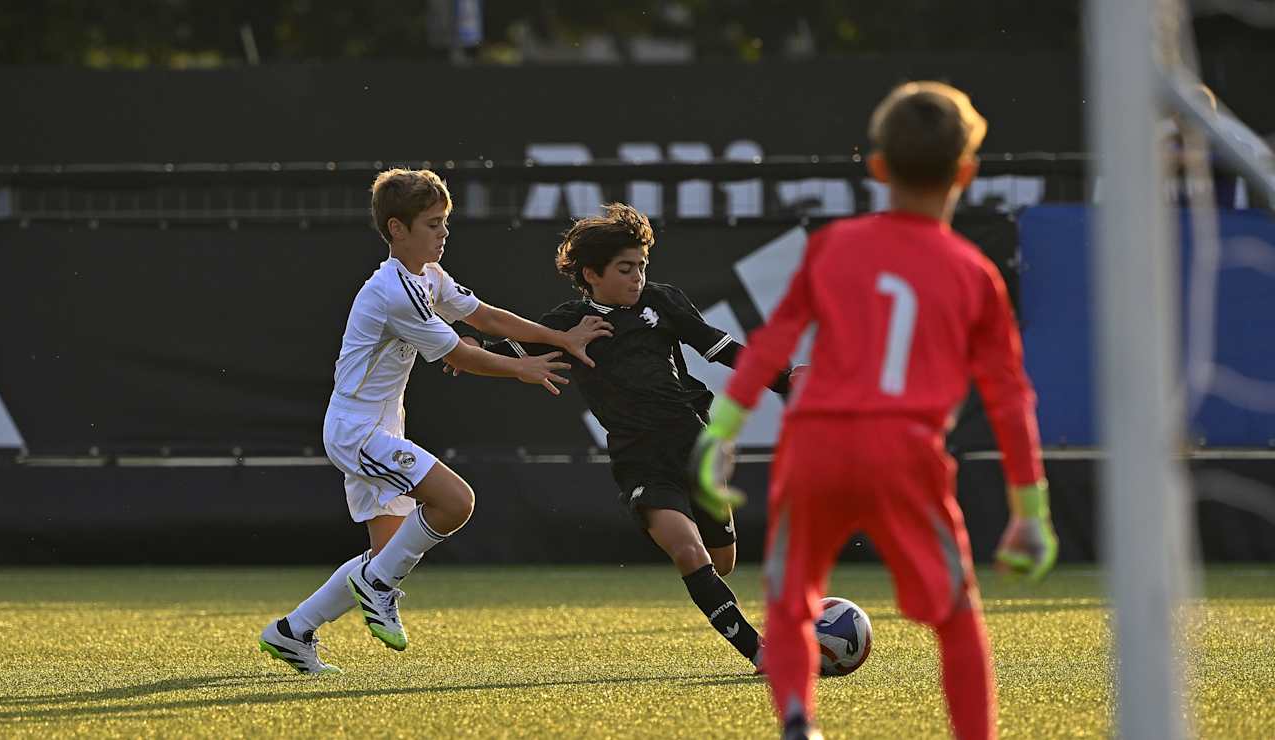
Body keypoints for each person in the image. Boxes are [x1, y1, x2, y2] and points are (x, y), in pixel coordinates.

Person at [693, 82, 1058, 740]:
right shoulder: (975, 273)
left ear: (879, 167)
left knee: (790, 595)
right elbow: (1009, 395)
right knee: (956, 615)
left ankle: (799, 721)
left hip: (815, 446)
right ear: (967, 174)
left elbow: (773, 341)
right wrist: (1030, 511)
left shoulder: (835, 245)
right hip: (905, 451)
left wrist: (722, 430)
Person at [258, 168, 611, 674]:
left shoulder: (428, 277)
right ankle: (377, 587)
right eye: (432, 224)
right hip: (358, 433)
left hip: (377, 430)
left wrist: (560, 338)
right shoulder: (393, 291)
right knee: (456, 502)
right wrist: (524, 368)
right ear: (397, 229)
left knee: (385, 553)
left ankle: (292, 632)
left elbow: (483, 317)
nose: (444, 233)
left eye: (446, 222)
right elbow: (459, 353)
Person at [463, 203, 795, 670]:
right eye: (625, 268)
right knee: (687, 550)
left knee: (722, 563)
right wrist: (465, 351)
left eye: (641, 266)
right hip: (638, 459)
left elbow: (718, 346)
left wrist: (783, 378)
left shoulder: (662, 302)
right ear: (591, 274)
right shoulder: (567, 324)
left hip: (695, 447)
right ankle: (758, 651)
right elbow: (506, 350)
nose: (637, 277)